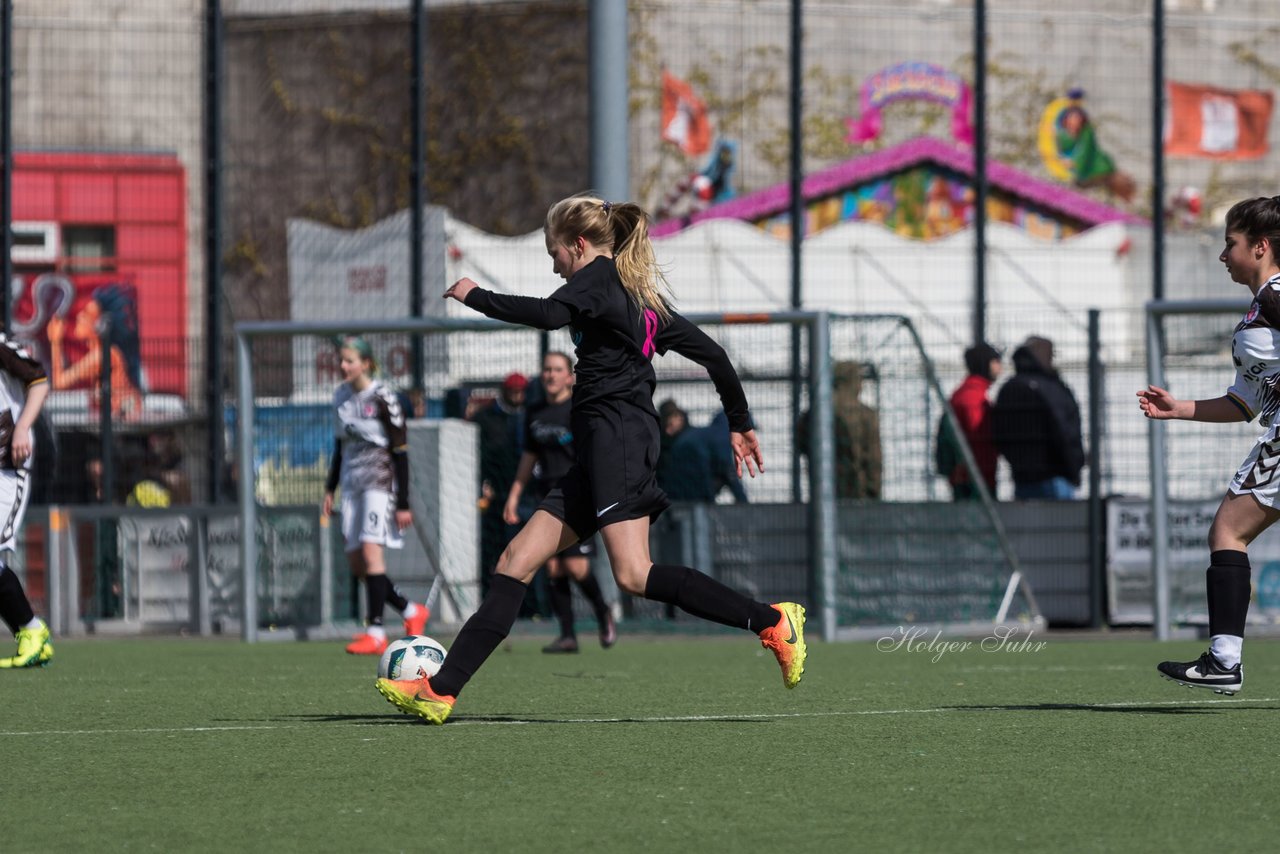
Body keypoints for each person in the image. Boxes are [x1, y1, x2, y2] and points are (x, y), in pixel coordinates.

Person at [376, 193, 806, 724]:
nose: (553, 263)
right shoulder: (633, 295)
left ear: (578, 245)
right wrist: (739, 423)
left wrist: (476, 295)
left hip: (619, 441)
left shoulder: (598, 278)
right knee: (516, 560)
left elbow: (548, 313)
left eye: (554, 252)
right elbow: (714, 355)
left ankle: (771, 620)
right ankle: (441, 690)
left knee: (633, 573)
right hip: (604, 446)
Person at [1137, 196, 1280, 695]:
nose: (1224, 255)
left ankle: (1224, 660)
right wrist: (1180, 409)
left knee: (1227, 532)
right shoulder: (1260, 307)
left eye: (1231, 244)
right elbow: (1245, 403)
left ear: (1260, 246)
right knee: (1227, 533)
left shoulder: (1275, 298)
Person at [502, 351, 617, 653]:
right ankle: (568, 635)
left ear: (570, 376)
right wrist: (514, 496)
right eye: (546, 369)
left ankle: (603, 611)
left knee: (576, 567)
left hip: (578, 493)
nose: (551, 375)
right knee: (552, 567)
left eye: (557, 369)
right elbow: (529, 457)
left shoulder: (579, 409)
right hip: (546, 495)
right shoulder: (535, 411)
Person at [321, 336, 428, 656]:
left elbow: (401, 451)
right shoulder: (340, 396)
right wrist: (330, 488)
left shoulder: (384, 398)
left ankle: (376, 631)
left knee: (371, 555)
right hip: (352, 486)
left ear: (366, 363)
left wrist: (404, 502)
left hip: (379, 484)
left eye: (350, 361)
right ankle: (411, 610)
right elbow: (341, 446)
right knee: (357, 563)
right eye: (341, 360)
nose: (343, 366)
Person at [0, 335, 54, 669]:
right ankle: (31, 633)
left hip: (8, 467)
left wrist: (22, 428)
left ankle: (33, 631)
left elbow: (39, 380)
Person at [992, 336, 1084, 500]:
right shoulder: (1050, 388)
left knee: (1029, 524)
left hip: (1022, 477)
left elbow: (999, 433)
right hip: (1055, 476)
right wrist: (1074, 468)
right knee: (1062, 523)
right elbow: (1064, 433)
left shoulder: (1009, 388)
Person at [45, 285, 144, 420]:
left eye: (86, 315)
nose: (79, 316)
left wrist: (55, 343)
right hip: (117, 417)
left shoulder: (101, 356)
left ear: (100, 326)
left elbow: (59, 383)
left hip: (124, 418)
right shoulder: (104, 352)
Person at [471, 372, 528, 597]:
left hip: (526, 493)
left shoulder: (529, 416)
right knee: (495, 548)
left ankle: (531, 607)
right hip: (495, 494)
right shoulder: (486, 418)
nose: (517, 396)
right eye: (513, 391)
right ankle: (492, 597)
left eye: (520, 392)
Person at [797, 360, 882, 499]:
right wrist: (874, 491)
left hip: (822, 489)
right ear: (852, 380)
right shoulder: (867, 415)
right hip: (858, 493)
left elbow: (801, 444)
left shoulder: (816, 411)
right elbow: (873, 459)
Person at [939, 343, 1002, 501]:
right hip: (974, 481)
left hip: (970, 477)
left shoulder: (969, 393)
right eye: (996, 361)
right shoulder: (973, 398)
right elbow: (978, 439)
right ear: (986, 363)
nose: (1000, 367)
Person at [665, 411, 749, 503]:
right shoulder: (723, 435)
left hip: (678, 477)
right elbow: (728, 469)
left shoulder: (711, 433)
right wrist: (744, 502)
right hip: (690, 468)